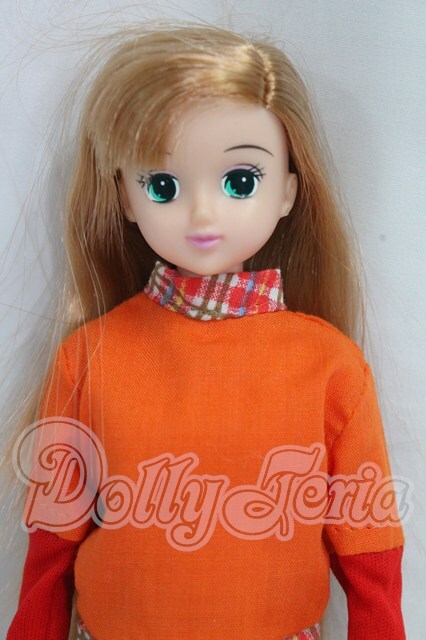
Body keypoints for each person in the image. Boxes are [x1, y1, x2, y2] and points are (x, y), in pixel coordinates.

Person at [5, 23, 405, 640]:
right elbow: (52, 545)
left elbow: (369, 549)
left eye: (240, 181)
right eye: (162, 185)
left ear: (288, 192)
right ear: (125, 198)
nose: (202, 213)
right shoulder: (90, 356)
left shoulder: (328, 364)